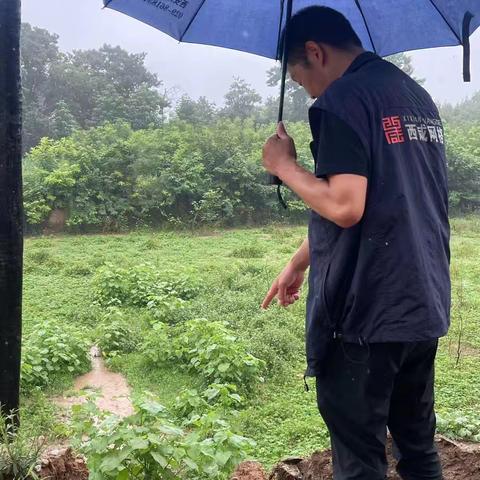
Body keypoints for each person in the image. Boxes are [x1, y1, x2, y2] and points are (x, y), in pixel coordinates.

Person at [261, 6, 450, 480]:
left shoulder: (342, 101)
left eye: (301, 79)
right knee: (417, 447)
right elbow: (385, 198)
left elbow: (346, 205)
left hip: (364, 314)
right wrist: (300, 261)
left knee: (360, 461)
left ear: (314, 52)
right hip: (419, 302)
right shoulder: (413, 95)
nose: (307, 90)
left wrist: (284, 166)